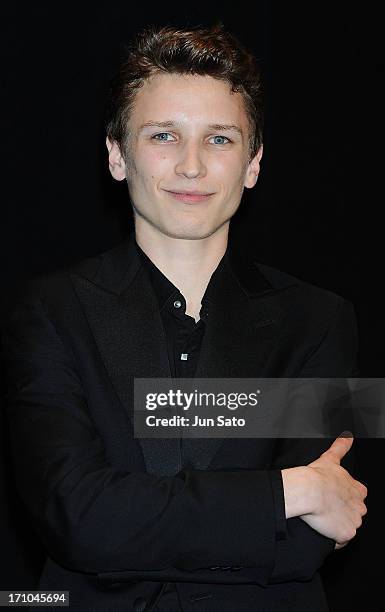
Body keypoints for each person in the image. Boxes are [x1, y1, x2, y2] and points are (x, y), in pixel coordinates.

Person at [1, 23, 367, 612]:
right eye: (164, 136)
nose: (192, 166)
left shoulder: (325, 319)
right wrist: (285, 490)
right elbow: (74, 517)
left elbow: (310, 541)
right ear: (117, 156)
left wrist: (134, 516)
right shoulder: (45, 311)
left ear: (253, 163)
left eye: (220, 140)